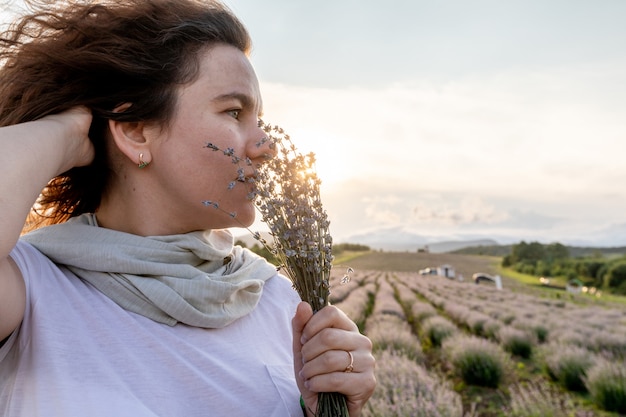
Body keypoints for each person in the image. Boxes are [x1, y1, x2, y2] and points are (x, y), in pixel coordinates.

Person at [0, 1, 376, 416]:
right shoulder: (32, 289)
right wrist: (66, 132)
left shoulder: (276, 298)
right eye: (234, 112)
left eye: (260, 119)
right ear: (135, 130)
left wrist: (329, 408)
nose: (266, 146)